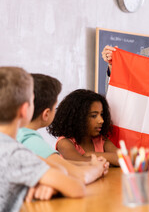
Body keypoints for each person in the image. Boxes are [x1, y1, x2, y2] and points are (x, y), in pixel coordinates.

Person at [0, 67, 85, 212]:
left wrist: (46, 180)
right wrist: (55, 182)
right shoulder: (15, 154)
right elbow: (77, 188)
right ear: (24, 110)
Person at [17, 74, 109, 185]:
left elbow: (62, 164)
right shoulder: (30, 140)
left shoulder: (19, 134)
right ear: (46, 113)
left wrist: (90, 163)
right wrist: (98, 168)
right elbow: (80, 176)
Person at [48, 89, 119, 166]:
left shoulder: (101, 140)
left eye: (101, 114)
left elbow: (123, 159)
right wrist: (107, 159)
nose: (101, 120)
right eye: (94, 116)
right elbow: (79, 162)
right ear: (77, 118)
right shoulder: (64, 142)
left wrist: (91, 154)